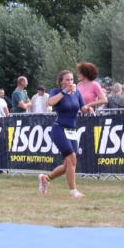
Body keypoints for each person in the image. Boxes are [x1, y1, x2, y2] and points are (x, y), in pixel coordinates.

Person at [38, 70, 89, 199]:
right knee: (72, 158)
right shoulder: (56, 91)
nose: (70, 82)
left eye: (72, 79)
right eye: (67, 79)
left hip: (72, 131)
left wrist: (89, 108)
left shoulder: (77, 93)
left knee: (68, 164)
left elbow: (83, 108)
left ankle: (45, 179)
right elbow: (50, 102)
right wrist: (65, 91)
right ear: (61, 82)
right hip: (59, 129)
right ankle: (73, 192)